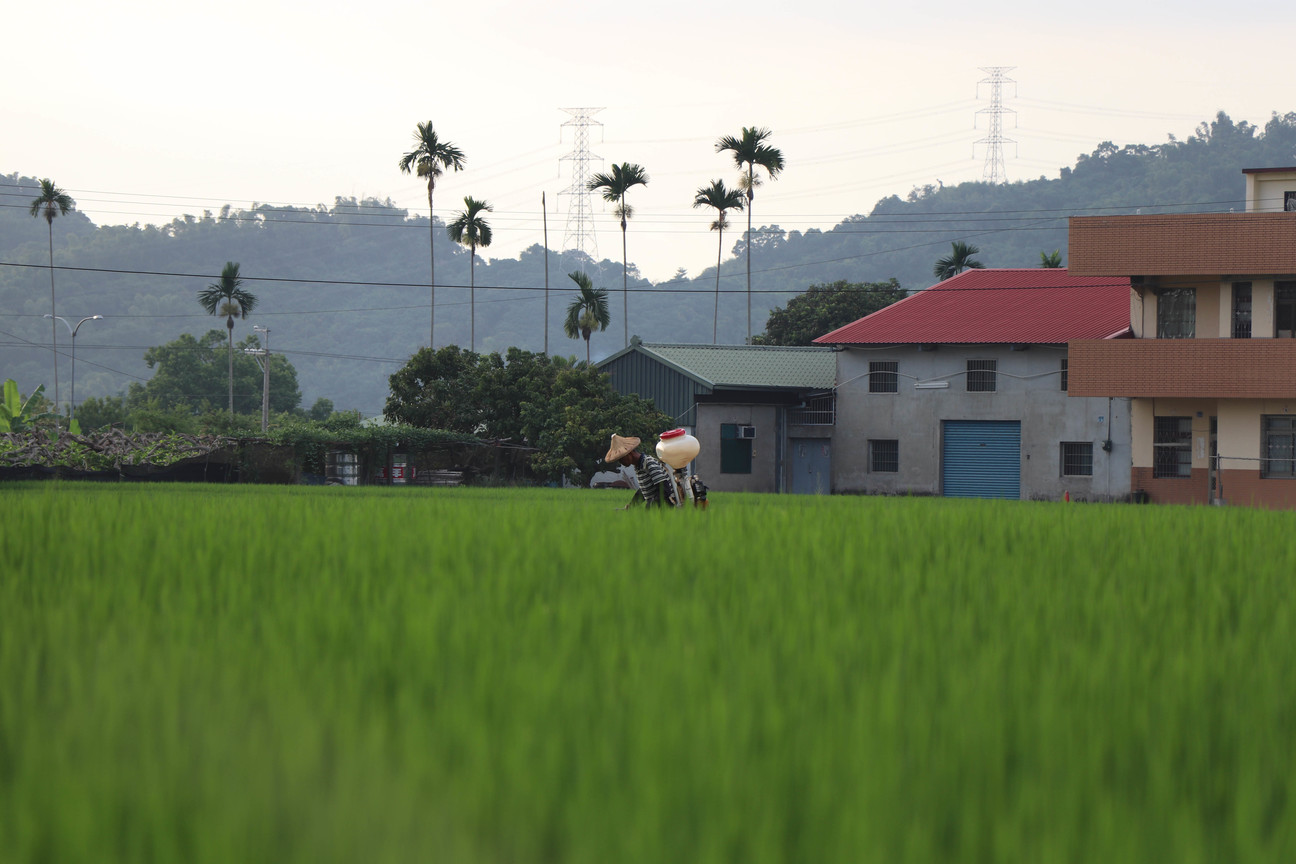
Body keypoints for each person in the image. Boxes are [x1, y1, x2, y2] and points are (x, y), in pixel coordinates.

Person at [605, 433, 678, 508]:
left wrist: (649, 508)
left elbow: (664, 490)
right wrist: (630, 507)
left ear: (630, 453)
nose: (621, 463)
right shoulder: (639, 467)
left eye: (621, 459)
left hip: (667, 506)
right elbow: (644, 491)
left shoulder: (649, 463)